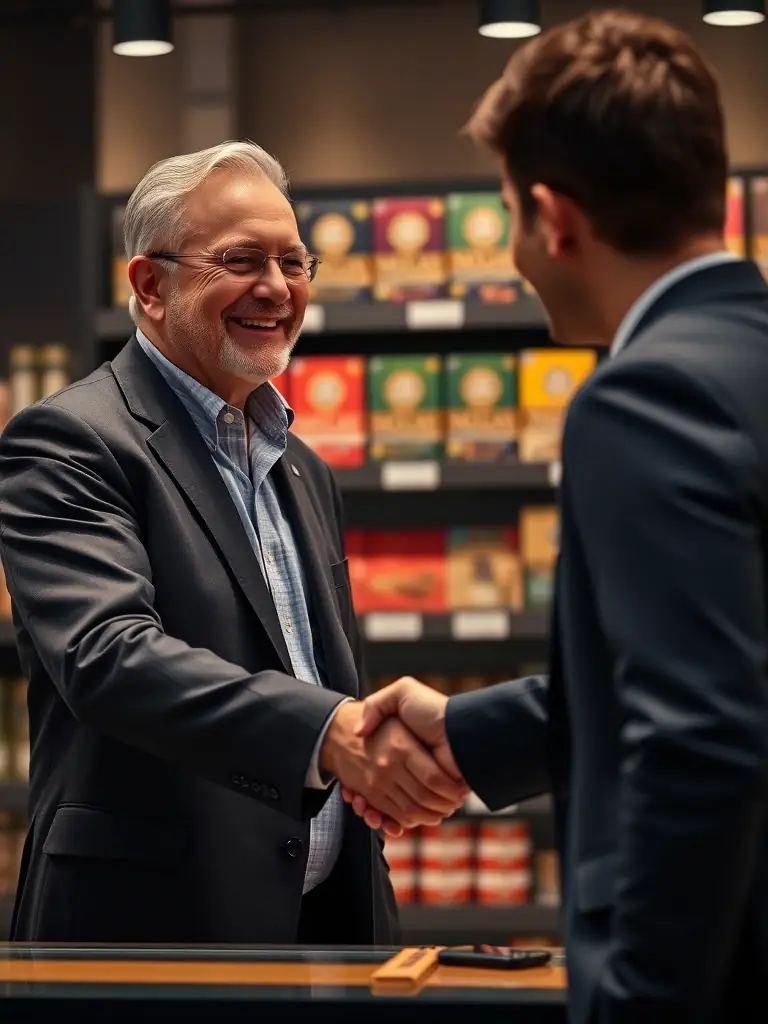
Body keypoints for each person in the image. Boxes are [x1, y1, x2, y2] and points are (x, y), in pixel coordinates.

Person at [344, 10, 768, 1023]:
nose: (521, 259)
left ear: (554, 217)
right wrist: (473, 730)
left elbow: (703, 739)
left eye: (511, 222)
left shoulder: (645, 397)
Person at [0, 141, 466, 945]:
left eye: (294, 260)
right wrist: (333, 734)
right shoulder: (69, 441)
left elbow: (318, 670)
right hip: (151, 936)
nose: (278, 289)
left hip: (325, 927)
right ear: (150, 285)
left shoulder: (303, 466)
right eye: (242, 260)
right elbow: (107, 655)